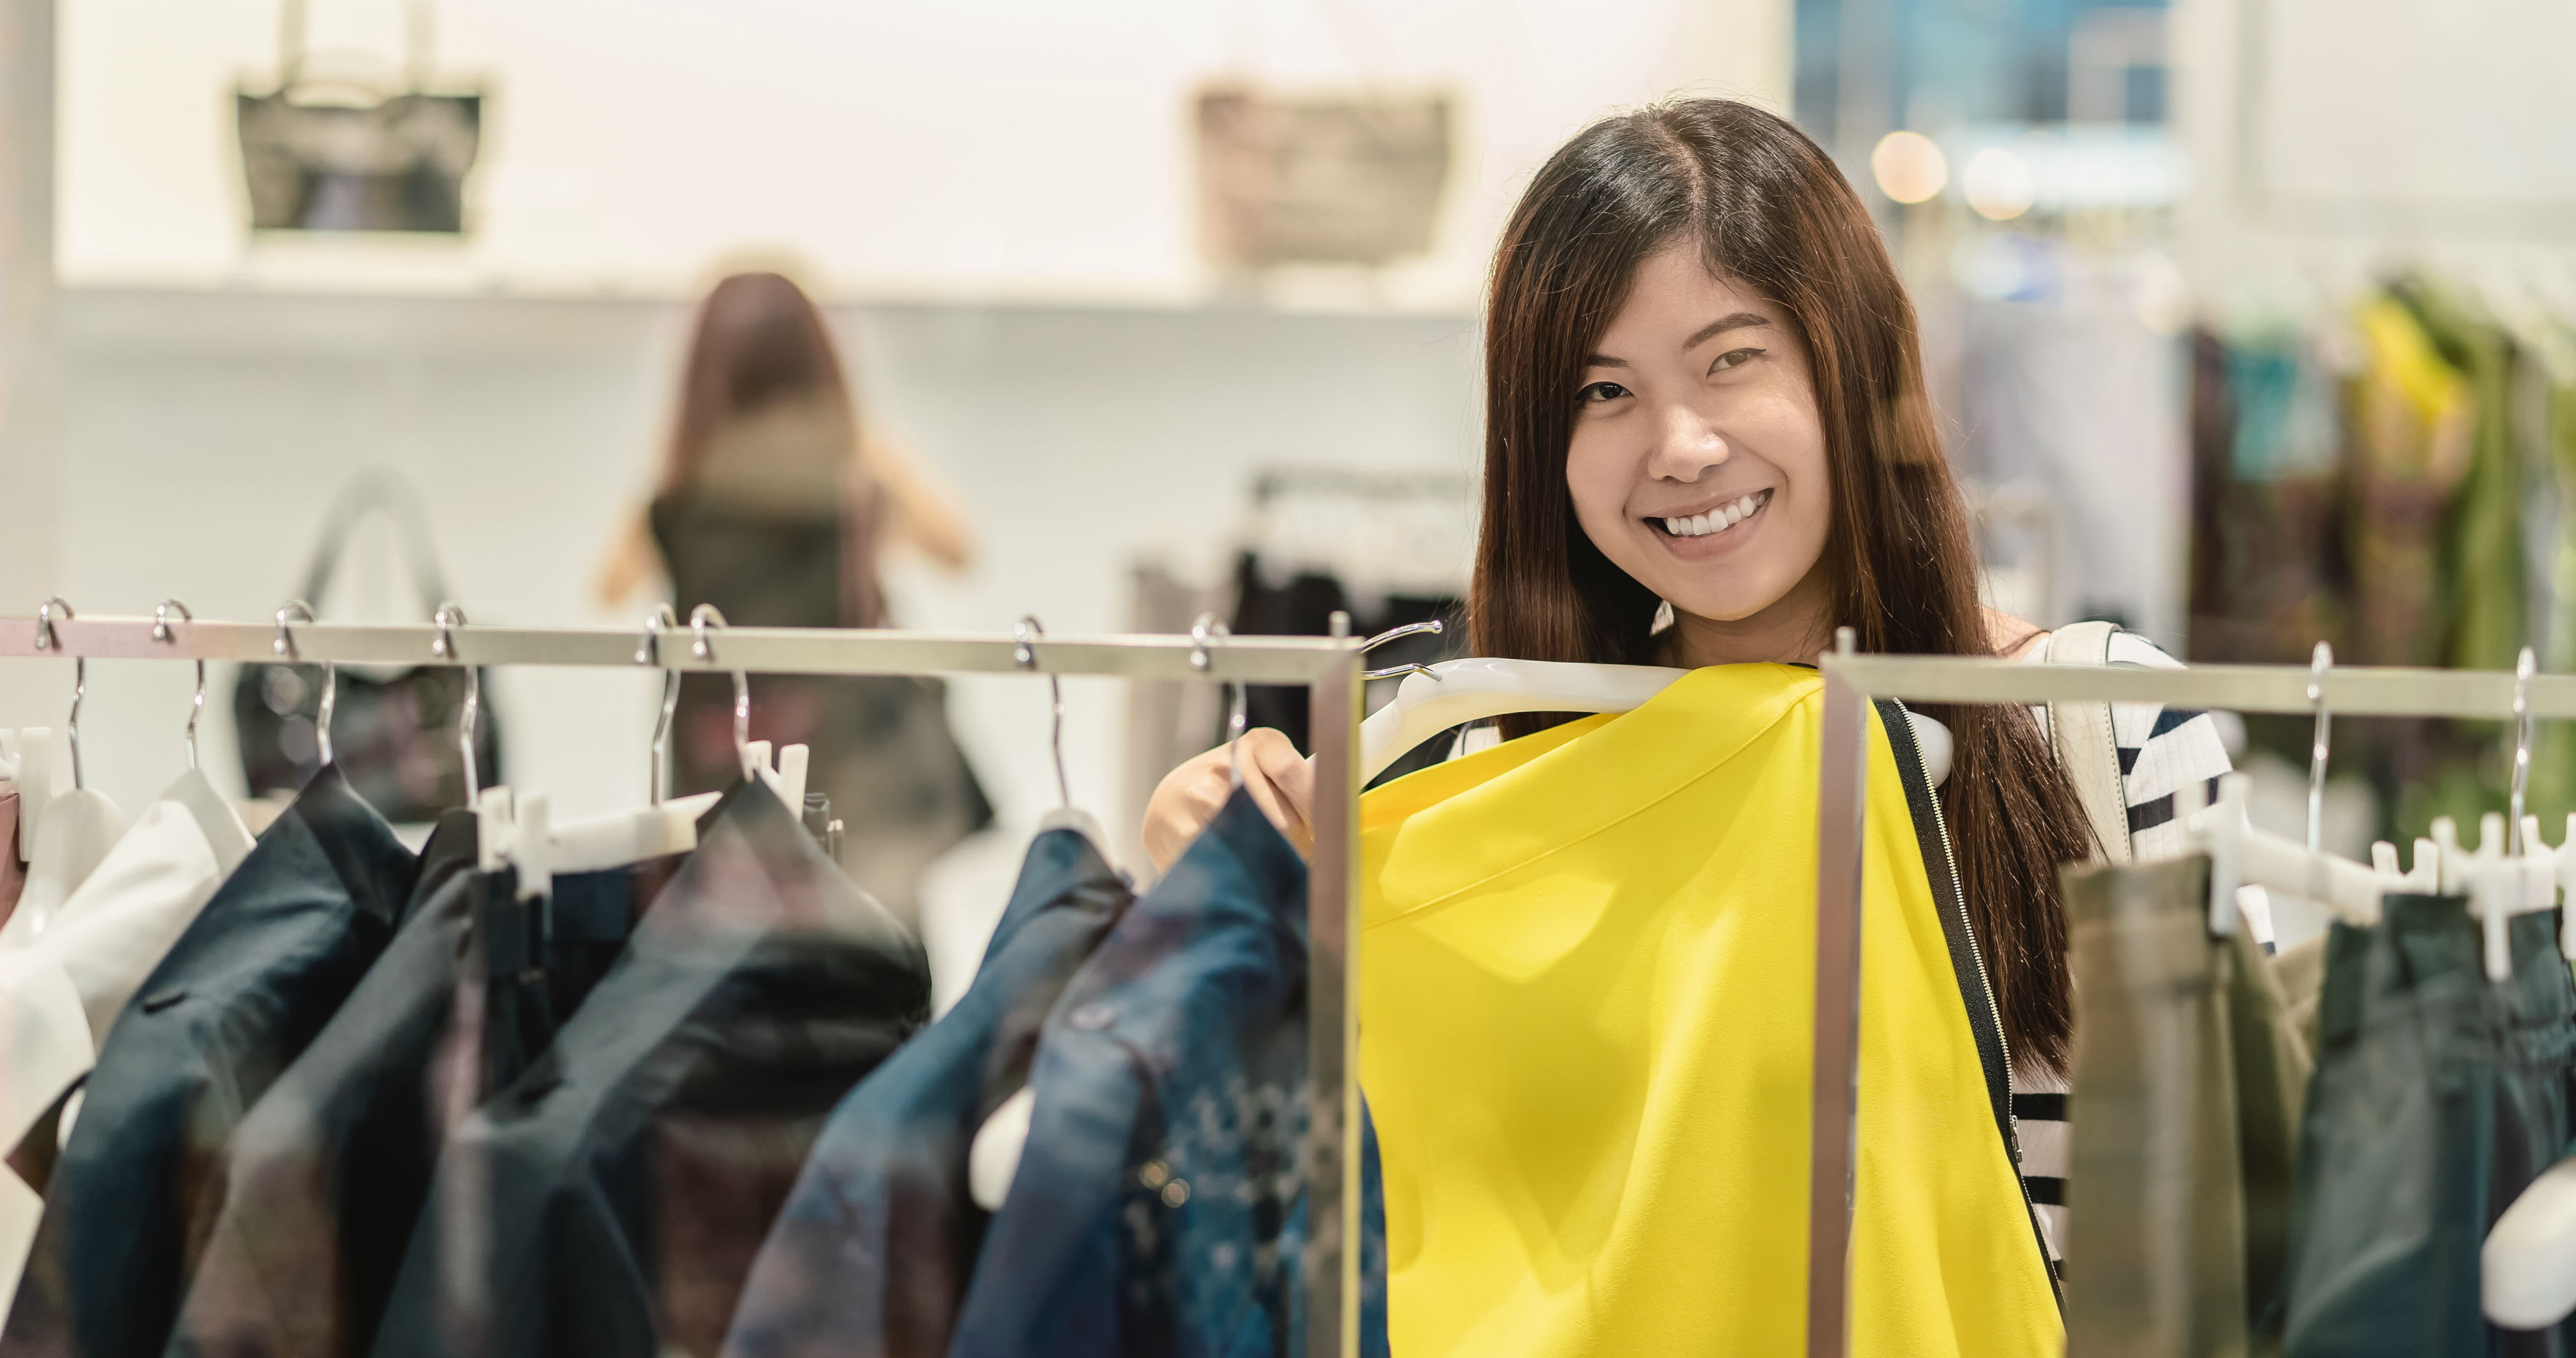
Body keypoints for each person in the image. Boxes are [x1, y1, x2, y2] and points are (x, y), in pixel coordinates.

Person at [1142, 99, 2229, 1306]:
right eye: (1603, 393)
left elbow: (2226, 1247)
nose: (1680, 444)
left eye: (1730, 361)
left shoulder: (2102, 731)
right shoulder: (1505, 761)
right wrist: (1214, 883)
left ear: (1852, 366)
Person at [598, 269, 992, 920]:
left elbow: (609, 588)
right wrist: (860, 444)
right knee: (873, 985)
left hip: (719, 791)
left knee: (726, 984)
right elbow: (957, 550)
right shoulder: (860, 471)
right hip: (856, 802)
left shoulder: (679, 489)